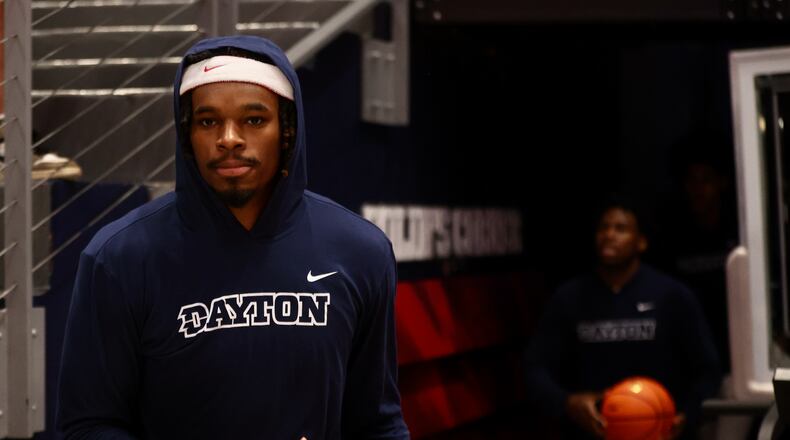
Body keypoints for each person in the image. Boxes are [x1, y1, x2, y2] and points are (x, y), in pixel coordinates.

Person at [56, 35, 409, 440]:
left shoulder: (360, 251)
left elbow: (377, 423)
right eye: (208, 121)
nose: (229, 139)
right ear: (188, 134)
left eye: (253, 120)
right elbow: (88, 425)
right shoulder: (119, 257)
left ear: (288, 132)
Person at [524, 198, 721, 439]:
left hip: (657, 430)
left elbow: (708, 370)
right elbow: (535, 368)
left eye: (621, 228)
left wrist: (687, 416)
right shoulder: (568, 298)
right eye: (603, 228)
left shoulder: (672, 295)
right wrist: (567, 403)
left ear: (641, 242)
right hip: (594, 431)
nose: (609, 235)